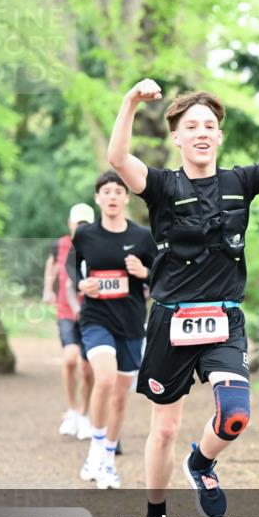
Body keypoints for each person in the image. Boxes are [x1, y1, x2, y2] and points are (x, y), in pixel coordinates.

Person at [107, 78, 259, 517]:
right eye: (192, 126)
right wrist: (129, 103)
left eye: (210, 125)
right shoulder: (164, 186)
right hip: (171, 321)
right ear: (178, 138)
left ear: (219, 135)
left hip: (224, 318)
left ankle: (202, 461)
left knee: (235, 415)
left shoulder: (241, 181)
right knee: (163, 430)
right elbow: (119, 161)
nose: (202, 132)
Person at [67, 171, 157, 489]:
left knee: (120, 397)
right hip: (96, 319)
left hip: (131, 324)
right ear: (98, 198)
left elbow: (160, 278)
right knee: (104, 379)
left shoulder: (144, 237)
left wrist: (144, 271)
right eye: (107, 191)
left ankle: (107, 457)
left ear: (126, 198)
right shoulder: (85, 236)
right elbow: (71, 266)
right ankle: (95, 449)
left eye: (119, 191)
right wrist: (82, 283)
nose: (113, 196)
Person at [42, 203, 96, 440]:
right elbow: (52, 266)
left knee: (87, 368)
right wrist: (47, 290)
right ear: (70, 223)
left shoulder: (98, 243)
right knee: (70, 358)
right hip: (65, 310)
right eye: (77, 222)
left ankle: (84, 414)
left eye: (85, 222)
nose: (81, 226)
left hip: (92, 312)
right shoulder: (61, 244)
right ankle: (72, 411)